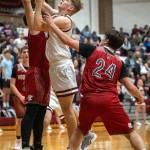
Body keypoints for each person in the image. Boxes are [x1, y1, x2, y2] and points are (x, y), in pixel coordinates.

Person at [44, 15, 146, 150]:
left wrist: (52, 24)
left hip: (89, 99)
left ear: (106, 41)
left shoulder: (92, 49)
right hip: (109, 100)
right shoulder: (120, 62)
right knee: (130, 132)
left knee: (80, 130)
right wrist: (139, 97)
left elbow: (66, 40)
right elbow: (130, 86)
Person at [34, 1, 97, 149]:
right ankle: (85, 135)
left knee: (67, 110)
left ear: (70, 8)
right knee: (67, 107)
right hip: (57, 66)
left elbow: (38, 26)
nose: (62, 0)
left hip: (61, 66)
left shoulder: (62, 19)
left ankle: (73, 146)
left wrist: (36, 7)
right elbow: (45, 5)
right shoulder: (59, 14)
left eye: (66, 0)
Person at [21, 0, 50, 149]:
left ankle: (37, 144)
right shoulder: (34, 31)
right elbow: (27, 4)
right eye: (38, 16)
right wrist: (38, 4)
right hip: (36, 74)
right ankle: (25, 144)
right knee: (32, 111)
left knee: (41, 113)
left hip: (46, 75)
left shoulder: (45, 32)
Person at [10, 46, 29, 149]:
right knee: (20, 119)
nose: (26, 54)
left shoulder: (34, 68)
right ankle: (18, 140)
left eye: (28, 52)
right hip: (19, 96)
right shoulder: (16, 68)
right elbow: (12, 85)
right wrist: (20, 96)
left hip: (31, 98)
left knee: (30, 121)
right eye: (24, 52)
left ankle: (26, 141)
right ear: (21, 54)